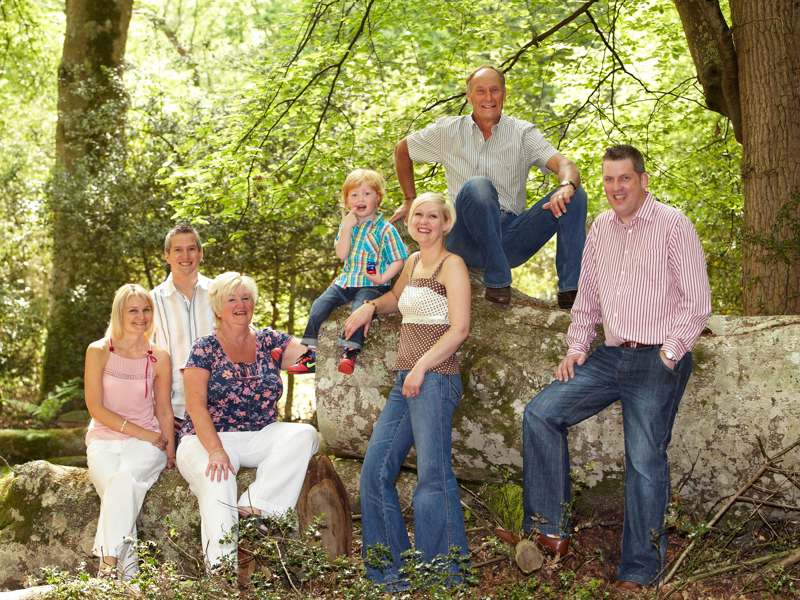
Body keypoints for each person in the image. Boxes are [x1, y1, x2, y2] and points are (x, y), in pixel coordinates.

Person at [520, 145, 711, 591]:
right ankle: (549, 532)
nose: (615, 188)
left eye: (624, 178)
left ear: (643, 180)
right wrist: (576, 347)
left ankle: (640, 570)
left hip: (657, 356)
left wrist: (670, 353)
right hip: (609, 356)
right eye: (608, 180)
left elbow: (697, 302)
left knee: (644, 459)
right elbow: (587, 299)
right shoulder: (601, 228)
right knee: (541, 413)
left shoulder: (673, 224)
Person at [344, 192, 471, 591]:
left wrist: (421, 366)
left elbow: (460, 329)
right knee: (375, 471)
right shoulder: (414, 262)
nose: (424, 222)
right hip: (407, 380)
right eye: (418, 215)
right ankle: (389, 574)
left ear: (446, 223)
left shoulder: (452, 265)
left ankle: (445, 577)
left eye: (433, 216)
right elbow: (397, 298)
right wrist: (369, 307)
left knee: (432, 476)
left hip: (436, 377)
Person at [393, 65, 587, 307]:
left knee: (575, 195)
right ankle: (497, 280)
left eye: (494, 90)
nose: (488, 97)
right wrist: (409, 199)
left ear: (503, 94)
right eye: (480, 91)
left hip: (509, 239)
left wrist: (567, 185)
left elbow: (565, 165)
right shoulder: (447, 131)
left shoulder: (522, 134)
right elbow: (403, 149)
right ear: (469, 96)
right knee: (478, 186)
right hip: (464, 238)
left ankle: (572, 292)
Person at [175, 271, 321, 572]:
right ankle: (222, 572)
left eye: (246, 298)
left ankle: (256, 507)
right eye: (232, 299)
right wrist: (216, 451)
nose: (240, 305)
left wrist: (347, 336)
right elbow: (195, 406)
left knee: (305, 434)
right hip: (206, 437)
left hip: (259, 435)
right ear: (218, 307)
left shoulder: (269, 341)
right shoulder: (204, 348)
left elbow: (313, 360)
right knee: (219, 479)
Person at [84, 284, 174, 579]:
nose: (141, 316)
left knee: (123, 480)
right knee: (119, 490)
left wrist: (170, 451)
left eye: (146, 309)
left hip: (147, 445)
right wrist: (141, 432)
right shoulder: (98, 351)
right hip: (103, 441)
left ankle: (107, 569)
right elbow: (95, 408)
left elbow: (163, 409)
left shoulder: (159, 356)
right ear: (119, 313)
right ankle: (130, 579)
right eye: (133, 310)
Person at [288, 169, 408, 375]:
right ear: (346, 201)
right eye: (354, 195)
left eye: (367, 194)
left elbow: (399, 258)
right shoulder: (347, 226)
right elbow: (342, 254)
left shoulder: (385, 229)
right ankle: (310, 354)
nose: (360, 199)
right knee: (319, 305)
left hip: (372, 284)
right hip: (346, 281)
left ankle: (350, 351)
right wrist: (345, 228)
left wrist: (384, 277)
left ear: (378, 198)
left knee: (359, 309)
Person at [151, 223, 215, 428]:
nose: (185, 256)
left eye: (191, 249)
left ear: (201, 253)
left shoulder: (220, 293)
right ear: (167, 255)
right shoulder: (151, 301)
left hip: (219, 408)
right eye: (178, 249)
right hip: (171, 412)